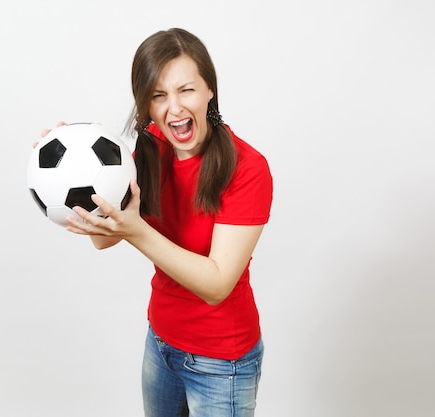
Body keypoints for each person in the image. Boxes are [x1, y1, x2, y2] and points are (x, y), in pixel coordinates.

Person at [57, 28, 273, 417]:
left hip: (222, 363)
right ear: (146, 105)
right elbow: (104, 240)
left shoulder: (248, 169)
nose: (174, 108)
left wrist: (137, 231)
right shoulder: (152, 145)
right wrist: (71, 167)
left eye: (186, 90)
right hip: (160, 344)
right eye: (159, 96)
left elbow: (217, 284)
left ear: (210, 89)